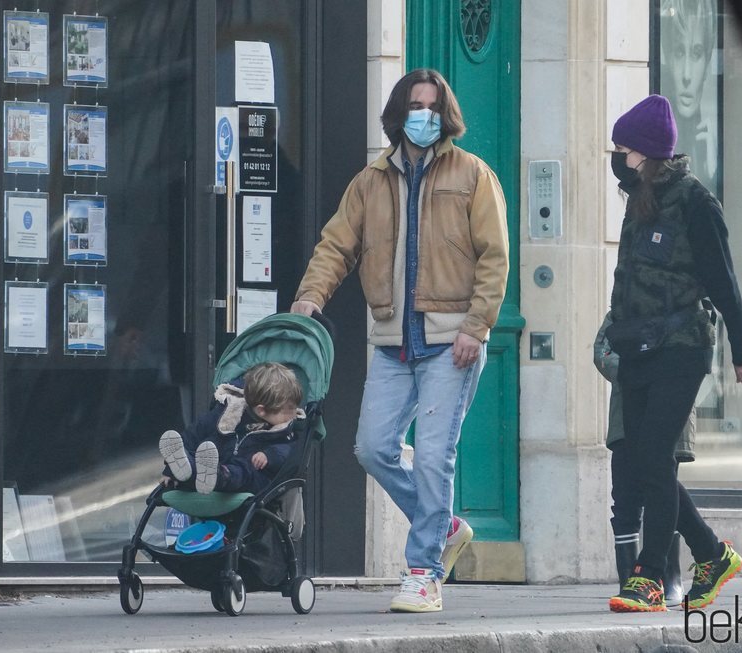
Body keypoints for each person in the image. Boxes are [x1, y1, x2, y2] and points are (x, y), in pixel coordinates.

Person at [290, 68, 509, 613]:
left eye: (434, 108)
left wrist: (475, 328)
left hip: (451, 340)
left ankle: (424, 572)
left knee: (434, 455)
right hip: (393, 342)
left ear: (447, 114)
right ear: (397, 111)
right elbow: (336, 245)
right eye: (416, 105)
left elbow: (495, 259)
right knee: (371, 447)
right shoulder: (370, 182)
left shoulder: (473, 175)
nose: (425, 116)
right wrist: (309, 296)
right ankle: (446, 526)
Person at [606, 94, 742, 613]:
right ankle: (711, 554)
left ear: (647, 153)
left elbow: (725, 282)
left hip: (681, 346)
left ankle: (649, 578)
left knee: (655, 455)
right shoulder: (639, 197)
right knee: (647, 462)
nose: (617, 158)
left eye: (623, 149)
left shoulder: (696, 202)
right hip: (636, 349)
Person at [594, 311, 696, 606]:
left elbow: (694, 356)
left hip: (669, 414)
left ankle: (669, 578)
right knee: (624, 499)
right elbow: (602, 351)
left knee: (661, 493)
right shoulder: (624, 307)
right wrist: (636, 373)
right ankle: (630, 582)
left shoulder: (686, 304)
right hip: (626, 418)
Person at [158, 362, 304, 496]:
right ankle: (182, 469)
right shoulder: (230, 411)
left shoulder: (284, 429)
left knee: (244, 472)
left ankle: (216, 476)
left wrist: (270, 455)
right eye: (287, 412)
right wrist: (170, 471)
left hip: (246, 477)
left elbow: (290, 451)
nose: (292, 415)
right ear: (262, 410)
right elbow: (195, 433)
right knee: (202, 447)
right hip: (212, 462)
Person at [661, 0, 718, 192]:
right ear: (668, 59)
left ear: (707, 61)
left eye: (696, 53)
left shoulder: (713, 143)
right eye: (678, 53)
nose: (686, 75)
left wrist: (711, 170)